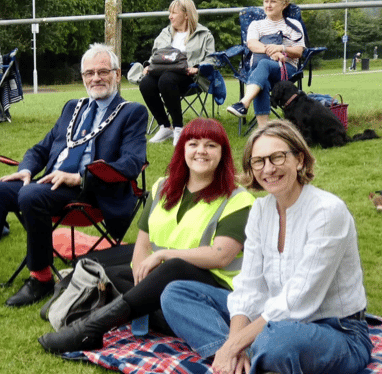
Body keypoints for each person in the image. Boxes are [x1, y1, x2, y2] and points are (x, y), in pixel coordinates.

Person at [0, 43, 148, 312]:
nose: (95, 78)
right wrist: (26, 170)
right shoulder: (73, 107)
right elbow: (42, 148)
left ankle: (41, 277)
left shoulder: (132, 112)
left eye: (103, 71)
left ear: (117, 75)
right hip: (52, 183)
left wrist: (79, 178)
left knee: (31, 194)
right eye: (89, 73)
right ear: (82, 77)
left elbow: (131, 162)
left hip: (93, 189)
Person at [161, 120, 372, 374]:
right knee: (176, 294)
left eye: (277, 157)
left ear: (300, 160)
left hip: (336, 331)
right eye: (258, 161)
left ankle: (240, 353)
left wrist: (232, 344)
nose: (268, 169)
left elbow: (299, 299)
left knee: (278, 342)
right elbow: (249, 285)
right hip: (270, 319)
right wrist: (235, 342)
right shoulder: (261, 210)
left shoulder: (327, 212)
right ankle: (246, 358)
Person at [37, 118, 255, 354]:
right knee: (114, 274)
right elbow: (141, 245)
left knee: (173, 269)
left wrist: (163, 255)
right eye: (193, 144)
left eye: (211, 145)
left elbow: (221, 256)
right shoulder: (163, 187)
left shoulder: (238, 198)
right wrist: (143, 276)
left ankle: (90, 329)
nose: (201, 151)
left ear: (223, 153)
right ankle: (163, 315)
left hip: (219, 289)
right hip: (167, 279)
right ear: (182, 149)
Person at [140, 0, 216, 146]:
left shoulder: (204, 34)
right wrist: (149, 65)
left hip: (189, 77)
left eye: (174, 13)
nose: (170, 17)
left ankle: (178, 128)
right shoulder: (165, 33)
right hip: (162, 72)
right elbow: (155, 54)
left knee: (167, 79)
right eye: (170, 13)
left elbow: (212, 59)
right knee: (146, 83)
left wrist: (198, 67)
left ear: (186, 15)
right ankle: (164, 126)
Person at [227, 0, 305, 128]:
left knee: (263, 65)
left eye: (273, 1)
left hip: (286, 70)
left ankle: (244, 103)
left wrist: (281, 48)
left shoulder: (293, 25)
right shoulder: (256, 25)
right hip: (259, 71)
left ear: (284, 4)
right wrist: (273, 52)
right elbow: (252, 45)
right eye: (266, 1)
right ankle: (264, 130)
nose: (268, 5)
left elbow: (299, 51)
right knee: (262, 80)